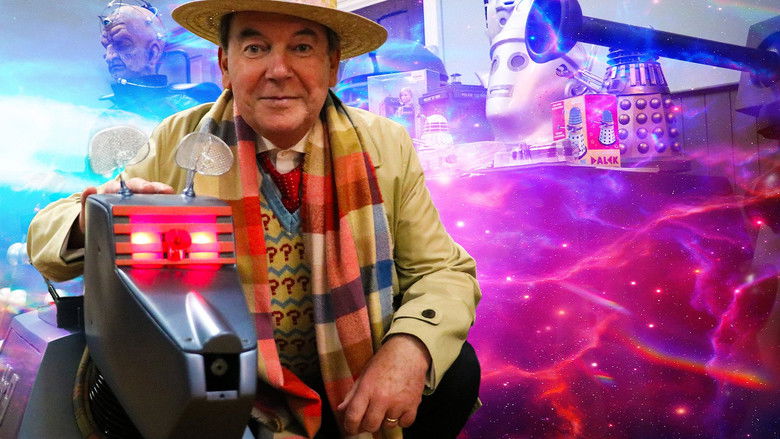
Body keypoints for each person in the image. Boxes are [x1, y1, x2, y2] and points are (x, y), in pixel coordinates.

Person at [27, 1, 481, 438]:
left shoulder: (385, 144)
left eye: (301, 47)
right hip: (224, 383)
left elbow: (443, 271)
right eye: (255, 48)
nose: (278, 70)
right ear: (225, 65)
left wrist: (409, 348)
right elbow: (46, 240)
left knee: (456, 370)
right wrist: (94, 216)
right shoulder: (179, 139)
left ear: (333, 66)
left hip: (351, 381)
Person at [98, 0, 221, 121]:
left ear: (153, 53)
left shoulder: (188, 107)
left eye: (123, 45)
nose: (109, 57)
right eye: (106, 47)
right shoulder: (108, 117)